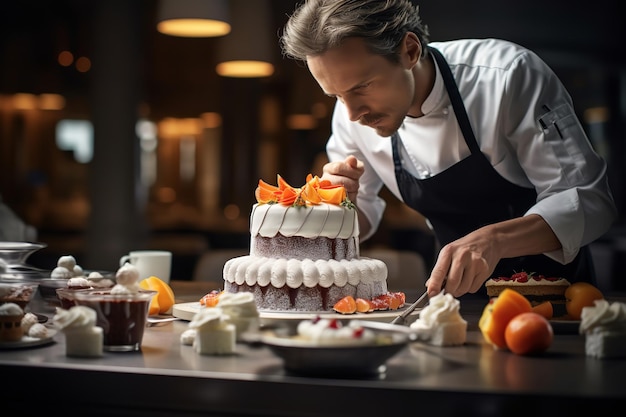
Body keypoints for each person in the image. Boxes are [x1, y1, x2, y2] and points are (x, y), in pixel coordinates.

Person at [279, 0, 618, 299]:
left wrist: (494, 240)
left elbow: (591, 202)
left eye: (363, 86)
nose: (353, 113)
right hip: (455, 299)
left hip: (556, 300)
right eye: (336, 95)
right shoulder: (350, 115)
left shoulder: (507, 77)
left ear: (409, 51)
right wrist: (338, 208)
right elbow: (362, 219)